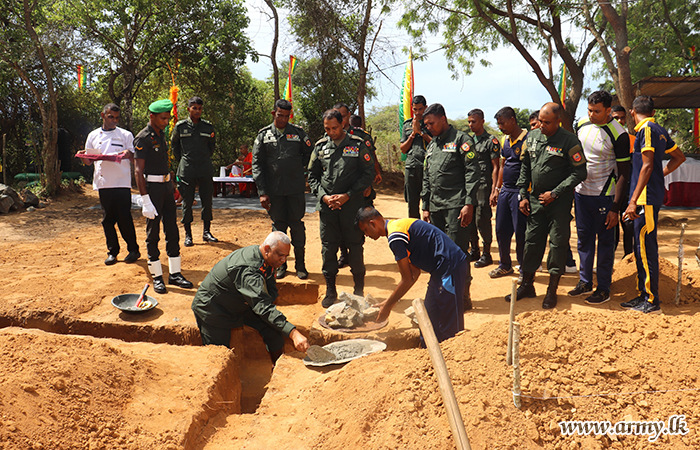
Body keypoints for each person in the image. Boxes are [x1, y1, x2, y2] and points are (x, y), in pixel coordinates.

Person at [508, 102, 587, 309]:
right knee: (531, 243)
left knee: (557, 244)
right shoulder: (532, 138)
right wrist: (523, 194)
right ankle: (527, 285)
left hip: (558, 204)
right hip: (534, 201)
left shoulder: (569, 140)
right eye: (540, 121)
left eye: (546, 122)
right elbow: (525, 166)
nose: (541, 125)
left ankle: (551, 291)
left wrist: (555, 193)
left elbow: (579, 172)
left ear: (558, 121)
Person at [191, 231, 310, 364]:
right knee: (219, 357)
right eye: (280, 255)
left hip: (240, 303)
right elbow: (263, 306)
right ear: (267, 249)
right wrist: (293, 333)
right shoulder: (249, 270)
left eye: (286, 256)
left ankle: (278, 369)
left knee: (273, 330)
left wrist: (270, 313)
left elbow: (270, 292)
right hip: (213, 309)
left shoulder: (267, 259)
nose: (283, 260)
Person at [356, 207, 466, 343]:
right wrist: (388, 302)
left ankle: (454, 357)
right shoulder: (396, 227)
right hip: (438, 271)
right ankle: (426, 356)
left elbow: (407, 279)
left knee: (449, 322)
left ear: (372, 223)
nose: (366, 235)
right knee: (428, 319)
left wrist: (388, 306)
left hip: (450, 267)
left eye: (365, 230)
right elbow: (414, 273)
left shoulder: (395, 236)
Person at [621, 95, 686, 314]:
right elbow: (679, 157)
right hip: (647, 197)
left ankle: (651, 301)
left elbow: (647, 166)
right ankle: (643, 294)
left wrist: (632, 201)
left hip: (645, 199)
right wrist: (661, 173)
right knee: (640, 248)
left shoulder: (647, 129)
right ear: (653, 111)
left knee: (645, 248)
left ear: (632, 112)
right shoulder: (658, 129)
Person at [308, 109, 375, 308]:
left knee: (355, 247)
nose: (331, 132)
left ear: (343, 124)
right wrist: (324, 197)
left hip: (352, 208)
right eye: (327, 129)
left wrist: (348, 195)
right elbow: (312, 176)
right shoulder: (320, 147)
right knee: (328, 248)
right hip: (328, 209)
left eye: (335, 128)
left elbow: (368, 174)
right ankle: (330, 290)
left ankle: (358, 291)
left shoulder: (357, 145)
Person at [569, 90, 631, 304]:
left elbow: (624, 173)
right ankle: (585, 282)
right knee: (584, 241)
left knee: (605, 244)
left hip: (605, 197)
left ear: (608, 110)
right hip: (581, 194)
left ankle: (603, 288)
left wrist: (616, 207)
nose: (592, 114)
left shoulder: (619, 134)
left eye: (597, 111)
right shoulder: (583, 125)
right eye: (589, 110)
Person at [420, 103, 481, 310]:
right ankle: (445, 294)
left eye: (431, 123)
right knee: (439, 253)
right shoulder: (432, 145)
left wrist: (469, 203)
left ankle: (463, 297)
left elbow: (472, 173)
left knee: (457, 252)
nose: (428, 127)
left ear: (443, 119)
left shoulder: (462, 140)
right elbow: (426, 177)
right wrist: (425, 205)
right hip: (436, 207)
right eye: (426, 124)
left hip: (457, 206)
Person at [134, 99, 194, 294]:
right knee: (153, 234)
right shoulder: (143, 137)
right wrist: (145, 199)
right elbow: (138, 170)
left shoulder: (161, 135)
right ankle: (157, 276)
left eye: (168, 118)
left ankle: (174, 274)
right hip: (151, 189)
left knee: (172, 231)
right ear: (152, 116)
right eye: (163, 118)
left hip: (166, 187)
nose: (166, 121)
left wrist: (172, 187)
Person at [252, 99, 313, 280]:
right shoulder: (263, 135)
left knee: (297, 226)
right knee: (278, 228)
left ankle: (300, 265)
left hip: (295, 189)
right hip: (274, 191)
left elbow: (310, 155)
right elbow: (257, 164)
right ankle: (280, 265)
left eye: (287, 116)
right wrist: (262, 192)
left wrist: (297, 169)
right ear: (274, 114)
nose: (283, 119)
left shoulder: (298, 134)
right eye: (280, 116)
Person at [78, 103, 140, 265]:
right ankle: (113, 252)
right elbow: (88, 162)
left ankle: (133, 250)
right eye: (111, 117)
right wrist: (82, 156)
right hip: (104, 182)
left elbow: (133, 156)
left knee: (124, 217)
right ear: (103, 115)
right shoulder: (93, 136)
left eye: (117, 118)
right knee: (108, 219)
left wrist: (128, 154)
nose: (114, 120)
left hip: (121, 182)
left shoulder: (126, 135)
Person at [333, 103, 382, 269]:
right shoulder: (331, 136)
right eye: (338, 115)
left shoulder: (360, 136)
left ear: (349, 116)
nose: (341, 119)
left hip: (359, 188)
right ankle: (344, 254)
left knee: (359, 222)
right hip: (340, 189)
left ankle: (355, 254)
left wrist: (371, 180)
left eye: (344, 115)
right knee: (339, 224)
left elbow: (370, 157)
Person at [171, 96, 218, 247]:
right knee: (187, 202)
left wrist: (203, 158)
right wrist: (184, 160)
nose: (197, 111)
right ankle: (188, 235)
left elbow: (212, 147)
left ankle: (206, 232)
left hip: (204, 167)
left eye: (199, 108)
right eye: (194, 108)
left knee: (207, 201)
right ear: (189, 109)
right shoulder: (180, 127)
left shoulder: (208, 127)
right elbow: (175, 147)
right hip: (187, 169)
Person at [489, 107, 527, 279]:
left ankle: (524, 269)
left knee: (520, 232)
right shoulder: (504, 140)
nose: (501, 127)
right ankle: (505, 265)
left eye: (503, 123)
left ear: (512, 120)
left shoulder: (527, 139)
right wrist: (497, 188)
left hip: (520, 192)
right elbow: (503, 166)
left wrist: (525, 194)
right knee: (501, 229)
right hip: (506, 191)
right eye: (499, 124)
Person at [467, 108, 500, 267]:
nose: (470, 124)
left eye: (473, 121)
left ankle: (487, 254)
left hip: (484, 186)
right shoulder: (469, 141)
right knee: (470, 218)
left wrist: (494, 189)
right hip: (470, 186)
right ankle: (475, 250)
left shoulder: (491, 141)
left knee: (482, 219)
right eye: (469, 122)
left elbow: (496, 167)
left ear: (482, 121)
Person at [399, 95, 432, 219]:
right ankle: (415, 230)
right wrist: (413, 134)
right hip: (411, 167)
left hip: (427, 167)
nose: (418, 112)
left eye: (420, 109)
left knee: (428, 201)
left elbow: (435, 144)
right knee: (412, 202)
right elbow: (403, 148)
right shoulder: (407, 124)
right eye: (415, 109)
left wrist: (421, 132)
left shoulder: (431, 123)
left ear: (426, 108)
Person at [611, 104, 635, 257]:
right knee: (610, 230)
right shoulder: (602, 139)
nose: (620, 121)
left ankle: (629, 260)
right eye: (616, 118)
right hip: (609, 193)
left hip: (627, 193)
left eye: (622, 118)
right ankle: (607, 263)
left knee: (629, 228)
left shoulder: (632, 140)